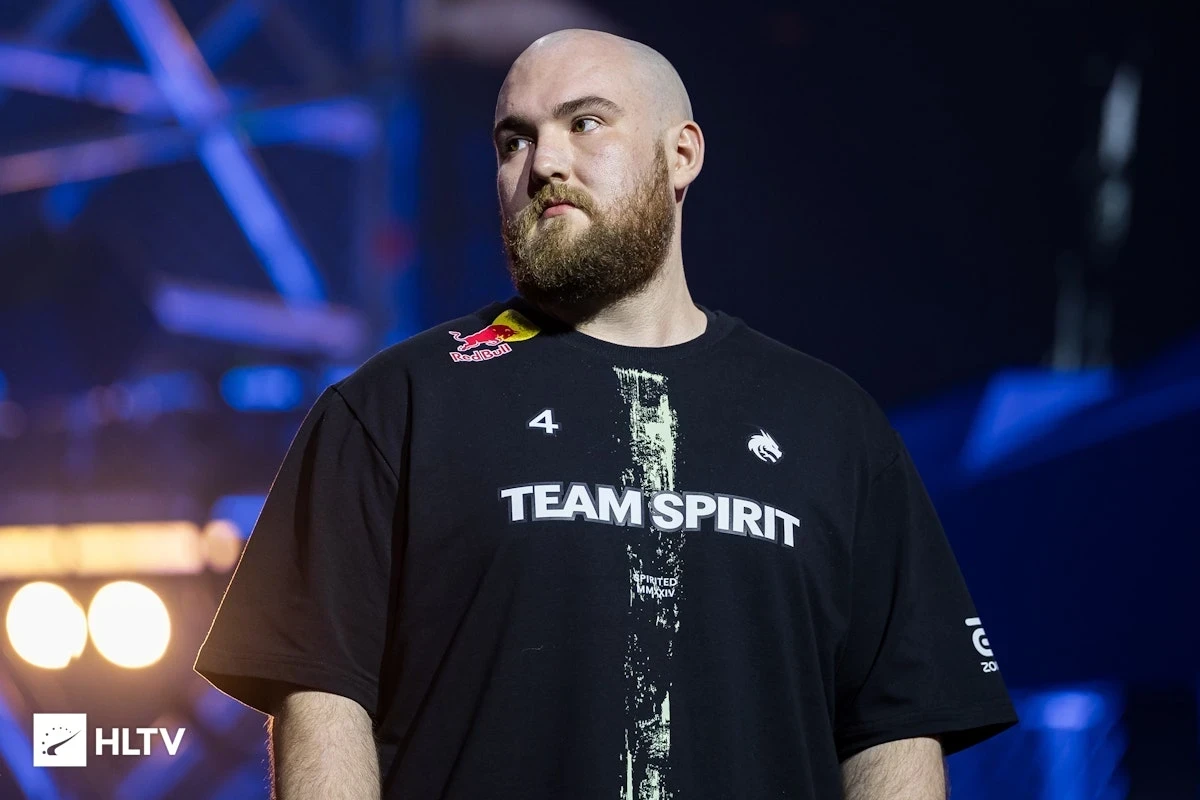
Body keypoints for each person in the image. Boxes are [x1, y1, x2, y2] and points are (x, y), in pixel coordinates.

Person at [195, 27, 1018, 799]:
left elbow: (894, 730)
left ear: (681, 154)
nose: (544, 161)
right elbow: (321, 702)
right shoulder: (391, 407)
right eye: (513, 141)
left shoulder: (834, 425)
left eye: (584, 123)